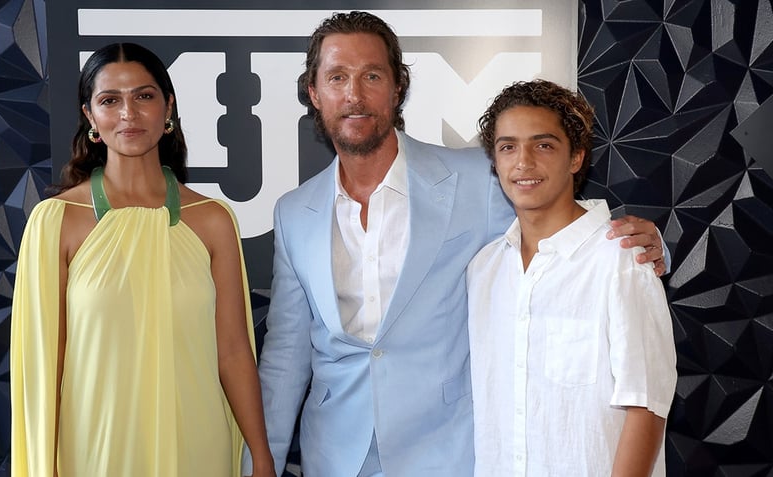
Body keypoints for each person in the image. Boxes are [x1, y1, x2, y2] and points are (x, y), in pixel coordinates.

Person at [246, 11, 669, 477]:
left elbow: (549, 217)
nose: (354, 94)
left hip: (447, 450)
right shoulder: (293, 213)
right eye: (337, 77)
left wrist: (643, 249)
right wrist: (259, 463)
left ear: (397, 88)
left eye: (371, 75)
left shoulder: (475, 177)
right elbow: (285, 357)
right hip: (334, 454)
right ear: (314, 92)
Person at [10, 42, 275, 477]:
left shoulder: (212, 220)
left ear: (168, 107)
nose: (128, 113)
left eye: (144, 96)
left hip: (197, 445)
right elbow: (43, 365)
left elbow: (233, 352)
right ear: (90, 117)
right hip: (94, 449)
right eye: (110, 100)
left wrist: (261, 457)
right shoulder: (56, 221)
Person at [468, 79, 677, 476]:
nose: (523, 162)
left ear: (576, 157)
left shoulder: (621, 260)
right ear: (494, 161)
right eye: (508, 146)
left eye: (543, 145)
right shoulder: (484, 270)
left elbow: (647, 404)